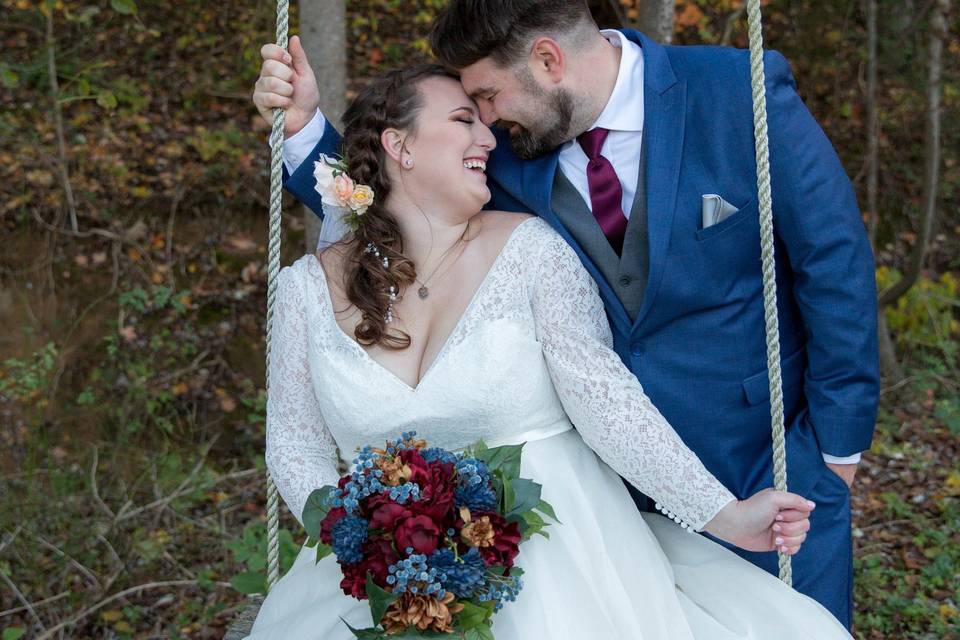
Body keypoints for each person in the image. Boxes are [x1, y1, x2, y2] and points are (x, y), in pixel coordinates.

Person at [255, 1, 879, 628]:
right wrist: (306, 126)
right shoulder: (509, 144)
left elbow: (832, 260)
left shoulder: (735, 93)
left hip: (755, 456)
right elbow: (387, 195)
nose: (489, 127)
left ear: (548, 60)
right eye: (472, 111)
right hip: (579, 501)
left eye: (488, 98)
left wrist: (836, 447)